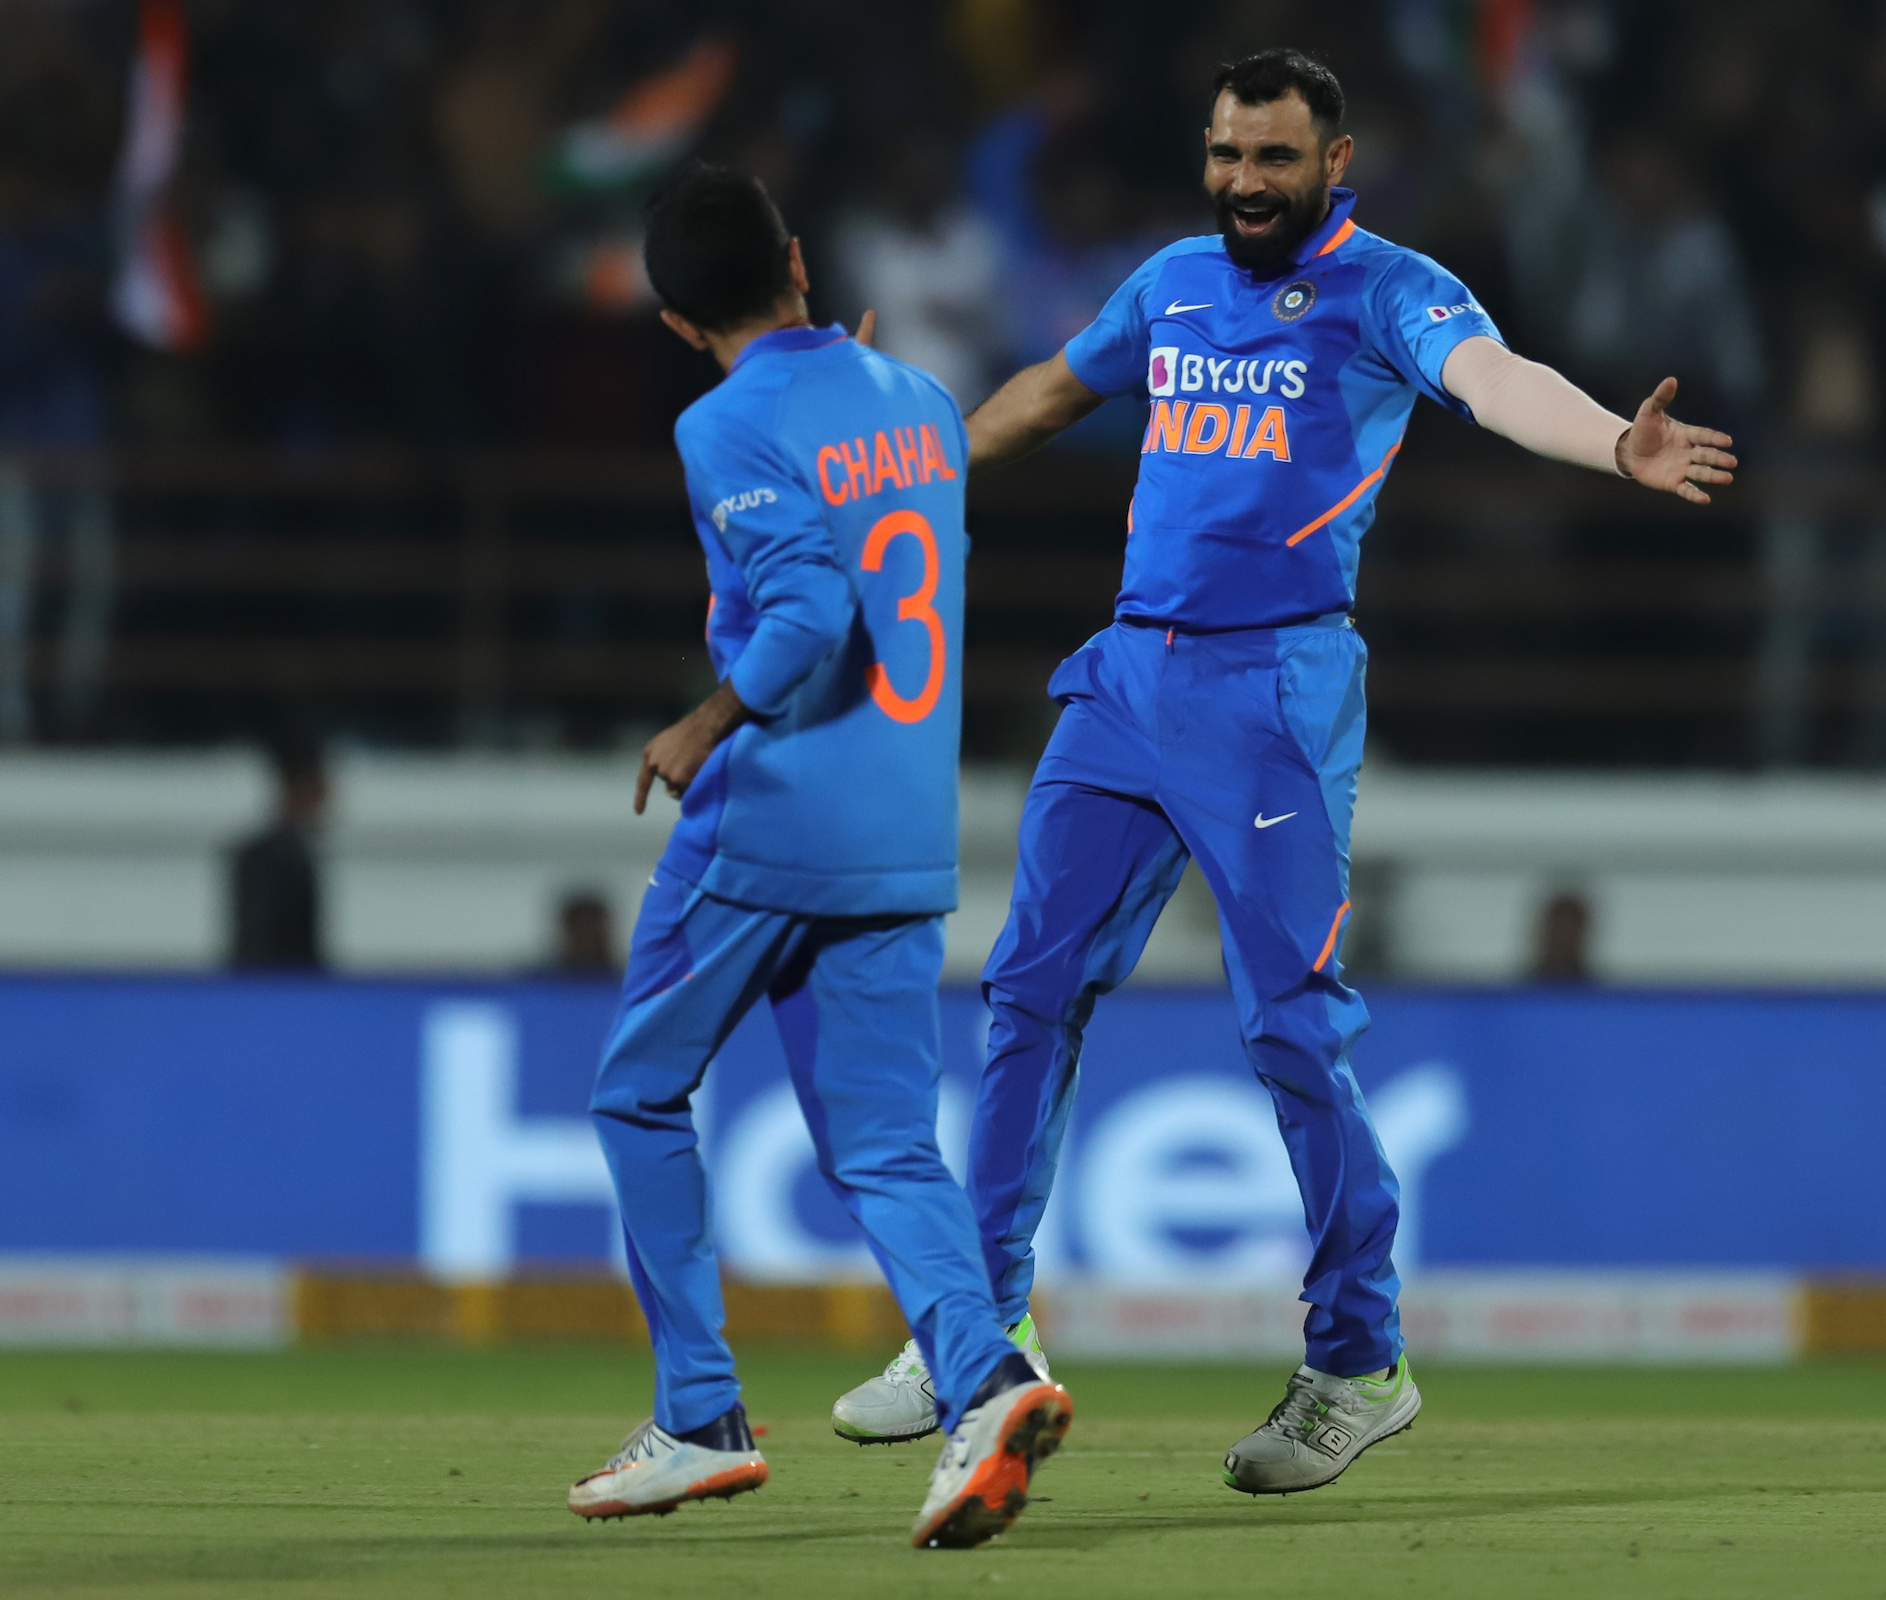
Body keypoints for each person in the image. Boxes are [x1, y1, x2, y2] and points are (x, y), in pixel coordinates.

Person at [833, 49, 1735, 1495]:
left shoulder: (1390, 289)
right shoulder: (1172, 280)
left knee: (1291, 1030)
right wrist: (905, 460)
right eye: (1226, 155)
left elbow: (1494, 384)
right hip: (1127, 675)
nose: (1245, 182)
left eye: (1274, 159)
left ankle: (1358, 1362)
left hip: (1272, 689)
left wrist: (1613, 445)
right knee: (1022, 990)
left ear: (1336, 160)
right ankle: (977, 1332)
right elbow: (1053, 395)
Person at [571, 163, 1068, 1549]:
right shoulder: (910, 394)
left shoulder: (723, 423)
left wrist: (701, 720)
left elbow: (805, 616)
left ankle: (701, 1416)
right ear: (799, 260)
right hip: (909, 824)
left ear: (676, 322)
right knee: (887, 1148)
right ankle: (986, 1382)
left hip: (775, 813)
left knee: (638, 1095)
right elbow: (889, 528)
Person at [228, 738, 328, 970]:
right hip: (274, 991)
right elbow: (256, 942)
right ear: (298, 789)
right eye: (319, 791)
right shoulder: (266, 859)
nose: (325, 804)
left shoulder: (296, 856)